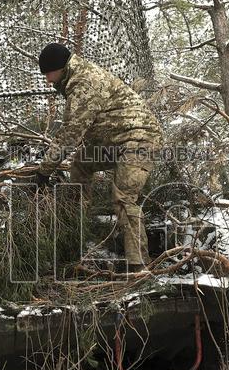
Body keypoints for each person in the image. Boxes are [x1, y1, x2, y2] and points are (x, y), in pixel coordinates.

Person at [34, 43, 162, 269]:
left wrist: (43, 172)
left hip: (139, 141)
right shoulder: (76, 78)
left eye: (48, 74)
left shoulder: (85, 82)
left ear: (59, 67)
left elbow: (71, 134)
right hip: (116, 142)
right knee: (81, 163)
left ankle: (138, 266)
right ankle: (79, 226)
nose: (48, 80)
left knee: (123, 198)